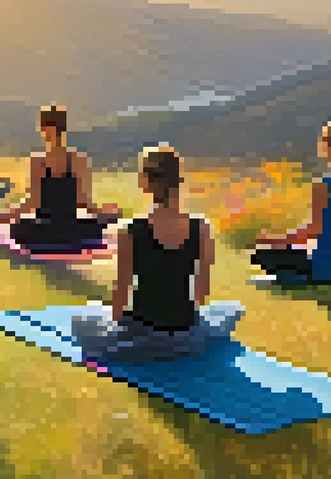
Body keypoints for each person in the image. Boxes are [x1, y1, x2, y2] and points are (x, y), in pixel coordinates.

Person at [72, 146, 245, 361]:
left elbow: (122, 291)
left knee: (83, 318)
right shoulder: (202, 227)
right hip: (184, 326)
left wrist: (115, 328)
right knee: (227, 311)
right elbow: (201, 291)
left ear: (146, 181)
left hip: (141, 328)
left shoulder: (130, 229)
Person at [252, 121, 331, 282]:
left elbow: (313, 229)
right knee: (301, 249)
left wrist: (274, 239)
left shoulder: (323, 185)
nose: (322, 146)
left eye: (325, 140)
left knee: (261, 253)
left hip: (324, 266)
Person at [0, 105, 122, 250]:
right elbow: (84, 203)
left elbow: (32, 203)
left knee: (18, 227)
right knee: (95, 226)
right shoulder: (79, 160)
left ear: (44, 129)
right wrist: (107, 214)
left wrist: (4, 214)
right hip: (72, 230)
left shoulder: (37, 161)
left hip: (44, 230)